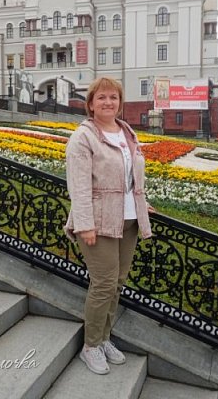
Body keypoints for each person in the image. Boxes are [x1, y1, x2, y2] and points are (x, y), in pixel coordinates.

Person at [64, 77, 154, 375]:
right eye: (101, 98)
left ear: (120, 102)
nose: (108, 103)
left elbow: (132, 175)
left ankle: (104, 338)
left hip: (128, 219)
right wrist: (85, 224)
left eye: (113, 97)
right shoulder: (84, 137)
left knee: (117, 282)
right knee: (103, 283)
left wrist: (141, 203)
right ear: (91, 104)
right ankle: (90, 346)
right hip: (98, 221)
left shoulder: (126, 132)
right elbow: (78, 186)